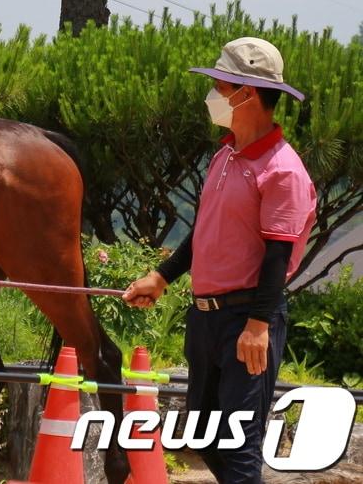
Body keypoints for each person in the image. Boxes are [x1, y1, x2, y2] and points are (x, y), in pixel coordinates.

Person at [124, 37, 316, 483]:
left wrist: (258, 325)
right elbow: (204, 229)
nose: (213, 92)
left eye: (219, 84)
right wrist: (162, 275)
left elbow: (277, 254)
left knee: (239, 446)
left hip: (246, 320)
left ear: (246, 94)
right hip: (206, 318)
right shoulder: (226, 154)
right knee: (207, 436)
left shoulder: (282, 169)